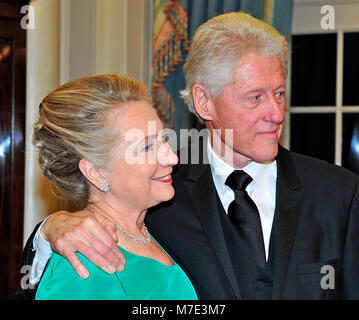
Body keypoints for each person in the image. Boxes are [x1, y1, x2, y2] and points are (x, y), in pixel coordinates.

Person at [22, 12, 359, 299]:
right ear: (204, 102)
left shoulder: (339, 193)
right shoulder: (159, 192)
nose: (275, 112)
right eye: (255, 97)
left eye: (279, 93)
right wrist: (48, 231)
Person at [28, 74, 197, 300]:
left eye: (163, 139)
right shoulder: (84, 263)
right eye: (147, 147)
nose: (172, 158)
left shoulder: (154, 229)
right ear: (96, 172)